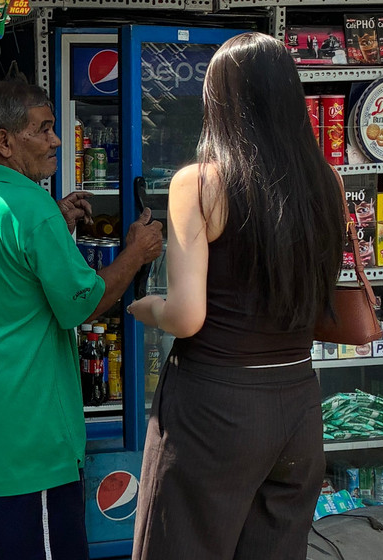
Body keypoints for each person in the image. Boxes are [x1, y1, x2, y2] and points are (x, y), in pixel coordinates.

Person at [128, 32, 347, 560]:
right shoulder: (327, 182)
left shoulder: (199, 183)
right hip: (297, 405)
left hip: (213, 408)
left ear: (218, 102)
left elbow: (185, 315)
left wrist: (144, 307)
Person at [0, 80, 163, 560]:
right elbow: (85, 302)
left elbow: (1, 266)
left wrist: (54, 223)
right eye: (45, 129)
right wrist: (136, 253)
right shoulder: (31, 211)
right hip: (23, 448)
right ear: (5, 142)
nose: (57, 140)